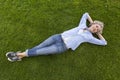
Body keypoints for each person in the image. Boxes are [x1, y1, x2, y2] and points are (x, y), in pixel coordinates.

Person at [6, 12, 107, 62]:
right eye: (97, 27)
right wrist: (92, 22)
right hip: (57, 37)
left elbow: (104, 42)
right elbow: (85, 14)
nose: (96, 29)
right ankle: (19, 56)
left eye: (98, 30)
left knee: (40, 51)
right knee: (39, 46)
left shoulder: (89, 37)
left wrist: (98, 34)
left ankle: (18, 55)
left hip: (62, 47)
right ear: (94, 24)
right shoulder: (82, 25)